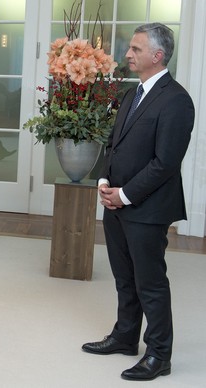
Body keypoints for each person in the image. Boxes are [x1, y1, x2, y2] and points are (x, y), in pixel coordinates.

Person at [81, 23, 195, 380]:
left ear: (157, 56)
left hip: (147, 208)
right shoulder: (132, 95)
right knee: (124, 277)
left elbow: (165, 163)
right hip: (115, 203)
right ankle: (126, 336)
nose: (127, 54)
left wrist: (125, 195)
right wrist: (103, 181)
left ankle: (159, 355)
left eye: (135, 49)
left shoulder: (177, 100)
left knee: (150, 282)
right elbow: (113, 144)